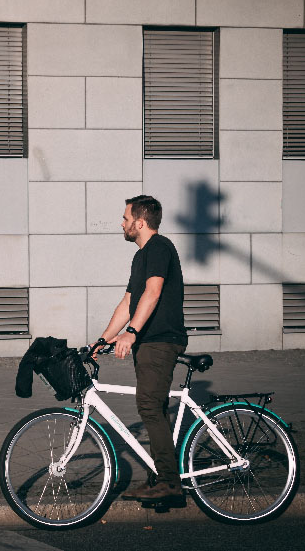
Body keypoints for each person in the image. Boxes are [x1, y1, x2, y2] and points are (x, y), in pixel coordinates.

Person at [96, 195, 187, 506]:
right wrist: (104, 339)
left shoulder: (160, 248)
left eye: (125, 218)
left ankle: (168, 484)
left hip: (160, 340)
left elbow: (154, 290)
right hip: (148, 342)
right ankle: (160, 476)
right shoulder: (140, 257)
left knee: (148, 406)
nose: (122, 223)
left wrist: (131, 332)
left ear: (140, 222)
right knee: (154, 408)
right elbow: (128, 302)